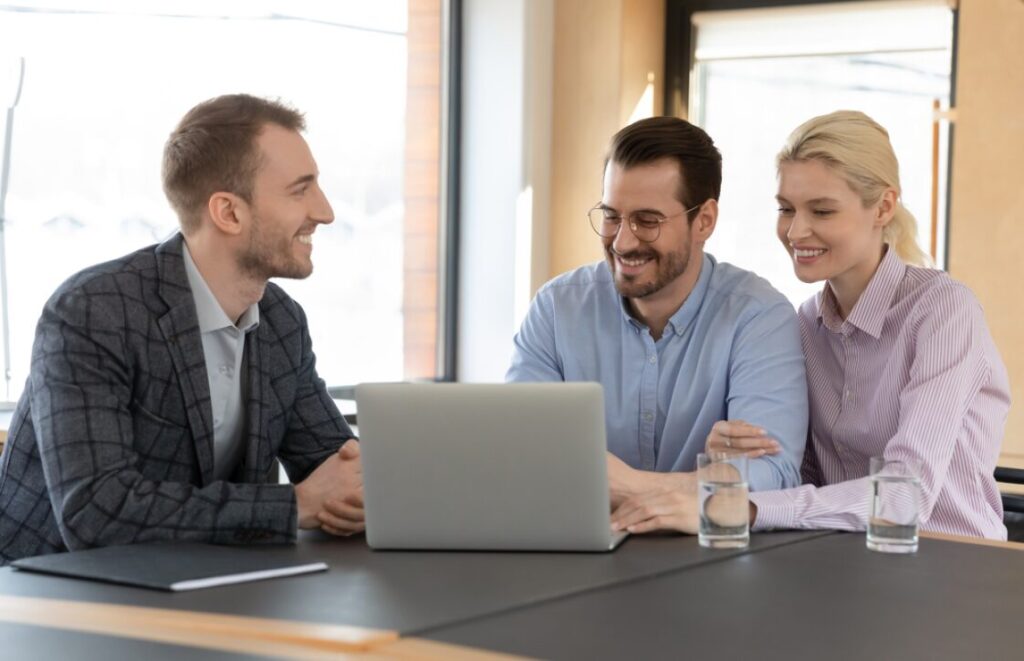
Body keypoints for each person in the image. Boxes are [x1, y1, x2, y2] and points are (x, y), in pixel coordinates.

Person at [0, 94, 366, 565]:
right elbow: (96, 512)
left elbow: (335, 470)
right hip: (49, 601)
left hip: (211, 587)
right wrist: (295, 505)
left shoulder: (280, 321)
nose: (325, 211)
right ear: (228, 213)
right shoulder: (94, 312)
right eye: (301, 190)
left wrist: (363, 489)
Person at [612, 110, 1010, 539]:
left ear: (883, 207)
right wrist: (733, 464)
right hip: (842, 564)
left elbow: (903, 498)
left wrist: (740, 508)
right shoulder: (803, 325)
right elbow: (805, 481)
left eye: (821, 211)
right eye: (786, 209)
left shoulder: (944, 312)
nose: (796, 231)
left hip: (956, 565)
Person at [507, 116, 808, 508]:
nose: (623, 241)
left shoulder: (758, 318)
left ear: (704, 221)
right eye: (612, 216)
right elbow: (519, 449)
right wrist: (699, 483)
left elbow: (775, 474)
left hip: (707, 557)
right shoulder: (556, 308)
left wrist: (631, 487)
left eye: (647, 221)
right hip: (577, 550)